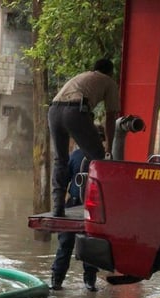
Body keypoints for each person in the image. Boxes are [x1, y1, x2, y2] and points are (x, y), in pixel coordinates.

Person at [48, 58, 120, 217]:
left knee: (60, 159)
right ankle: (100, 206)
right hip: (74, 111)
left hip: (53, 110)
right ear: (110, 72)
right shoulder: (109, 81)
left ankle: (57, 208)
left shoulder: (84, 77)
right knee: (98, 160)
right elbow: (110, 117)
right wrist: (108, 147)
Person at [50, 132, 103, 292]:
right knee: (66, 243)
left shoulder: (102, 159)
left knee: (90, 245)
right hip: (75, 204)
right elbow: (63, 179)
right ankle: (57, 279)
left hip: (92, 206)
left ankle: (88, 280)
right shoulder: (77, 156)